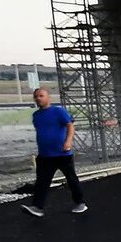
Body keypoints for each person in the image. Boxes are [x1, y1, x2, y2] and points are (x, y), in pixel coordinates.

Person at [23, 88, 87, 217]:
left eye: (41, 95)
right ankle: (37, 207)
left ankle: (81, 203)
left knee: (71, 179)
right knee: (42, 181)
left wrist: (68, 142)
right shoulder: (36, 116)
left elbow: (70, 125)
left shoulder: (59, 111)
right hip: (45, 155)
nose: (38, 98)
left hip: (62, 154)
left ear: (48, 98)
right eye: (36, 96)